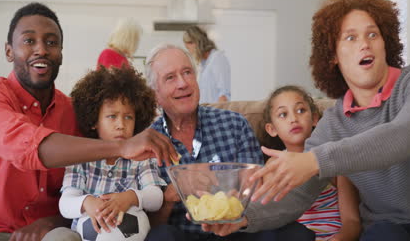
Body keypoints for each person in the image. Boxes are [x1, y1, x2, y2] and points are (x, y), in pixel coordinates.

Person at [249, 0, 410, 241]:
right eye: (351, 38)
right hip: (387, 232)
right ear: (333, 56)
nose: (365, 44)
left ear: (386, 43)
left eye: (373, 34)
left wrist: (314, 160)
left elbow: (404, 134)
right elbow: (298, 194)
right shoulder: (333, 123)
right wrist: (242, 218)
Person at [0, 2, 176, 241]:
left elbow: (83, 190)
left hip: (50, 232)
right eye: (29, 41)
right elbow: (28, 146)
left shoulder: (73, 112)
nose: (41, 50)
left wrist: (53, 221)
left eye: (51, 42)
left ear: (60, 52)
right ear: (9, 51)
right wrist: (123, 146)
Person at [143, 43, 315, 241]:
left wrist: (236, 197)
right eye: (170, 78)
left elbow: (257, 197)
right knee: (159, 237)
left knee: (296, 234)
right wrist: (168, 198)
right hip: (182, 235)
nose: (183, 83)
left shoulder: (234, 124)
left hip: (235, 232)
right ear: (155, 93)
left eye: (187, 72)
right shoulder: (148, 142)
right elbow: (149, 224)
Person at [59, 66, 166, 237]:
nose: (120, 125)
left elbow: (156, 198)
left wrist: (129, 198)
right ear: (94, 120)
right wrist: (88, 202)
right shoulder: (80, 158)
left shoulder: (142, 157)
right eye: (112, 116)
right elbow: (65, 204)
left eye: (128, 117)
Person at [263, 85, 361, 241]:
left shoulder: (334, 159)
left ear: (315, 119)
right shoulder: (273, 166)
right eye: (283, 114)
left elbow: (352, 222)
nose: (293, 119)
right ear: (272, 129)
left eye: (301, 110)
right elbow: (272, 217)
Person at [183, 26, 231, 103]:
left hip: (214, 112)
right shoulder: (201, 65)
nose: (190, 52)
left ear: (196, 42)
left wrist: (216, 113)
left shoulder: (217, 58)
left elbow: (224, 94)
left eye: (189, 48)